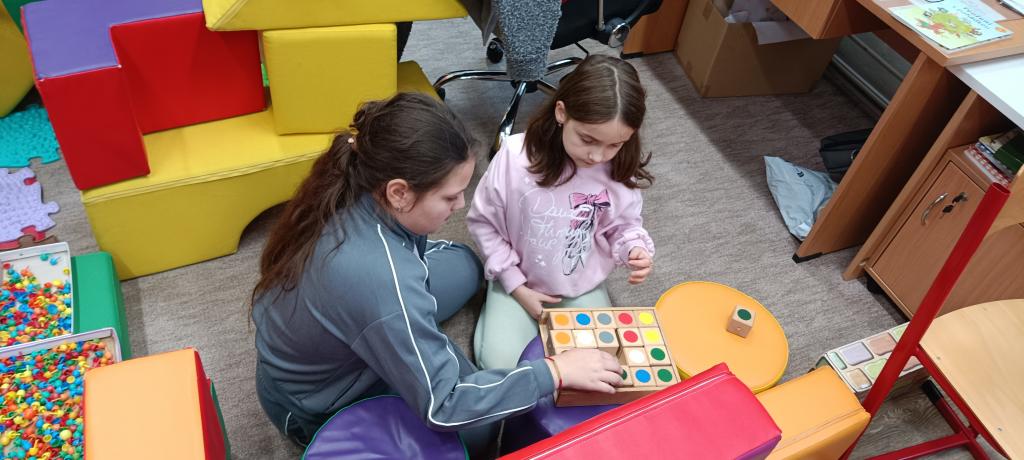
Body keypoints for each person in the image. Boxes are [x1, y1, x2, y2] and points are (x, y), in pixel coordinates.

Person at [251, 92, 623, 455]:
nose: (461, 205)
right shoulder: (383, 279)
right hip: (316, 402)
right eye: (449, 197)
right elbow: (443, 406)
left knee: (466, 265)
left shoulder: (360, 182)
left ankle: (415, 334)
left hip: (344, 325)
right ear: (399, 193)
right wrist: (554, 372)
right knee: (480, 429)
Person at [469, 55, 655, 370]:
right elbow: (484, 224)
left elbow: (622, 227)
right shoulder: (514, 157)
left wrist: (633, 248)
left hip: (579, 283)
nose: (597, 156)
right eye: (588, 139)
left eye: (615, 145)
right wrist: (515, 285)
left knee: (604, 362)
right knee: (500, 366)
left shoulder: (618, 171)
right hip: (518, 279)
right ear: (561, 112)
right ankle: (497, 297)